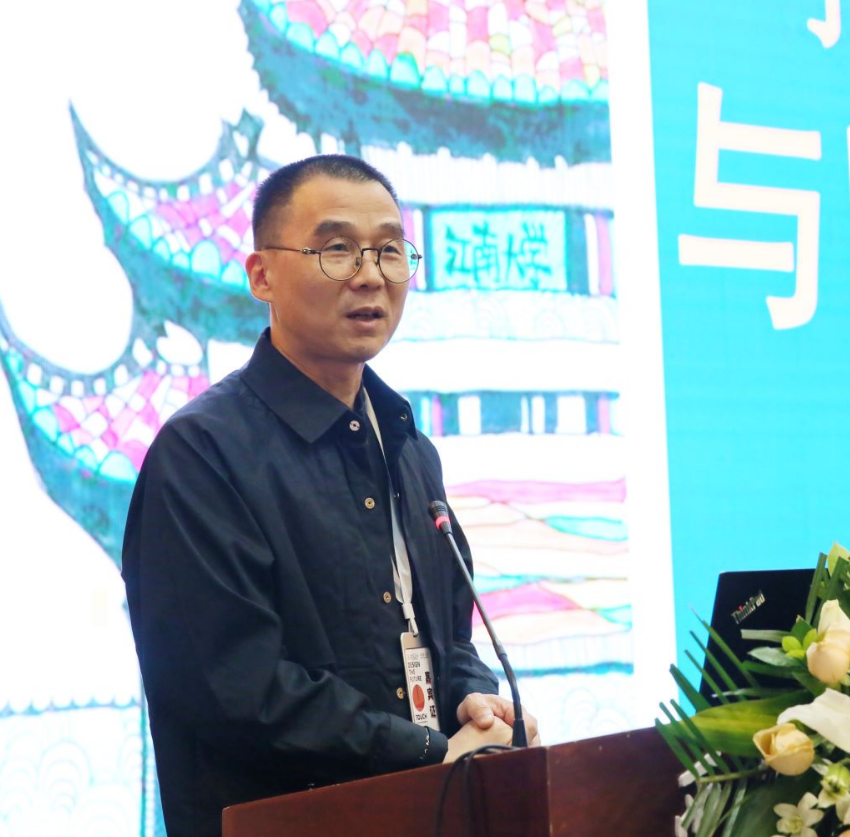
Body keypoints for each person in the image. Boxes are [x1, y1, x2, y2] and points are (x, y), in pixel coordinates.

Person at [121, 155, 538, 837]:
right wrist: (427, 752)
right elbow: (234, 688)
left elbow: (446, 631)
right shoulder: (203, 453)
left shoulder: (406, 442)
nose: (370, 275)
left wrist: (475, 703)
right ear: (262, 275)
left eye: (390, 251)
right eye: (337, 249)